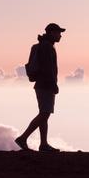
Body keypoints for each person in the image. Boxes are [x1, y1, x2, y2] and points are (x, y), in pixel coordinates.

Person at [15, 23, 65, 152]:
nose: (60, 35)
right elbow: (47, 68)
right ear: (51, 33)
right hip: (46, 84)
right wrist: (54, 84)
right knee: (45, 113)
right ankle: (23, 138)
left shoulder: (44, 46)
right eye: (58, 32)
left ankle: (43, 144)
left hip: (42, 84)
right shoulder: (47, 47)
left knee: (44, 113)